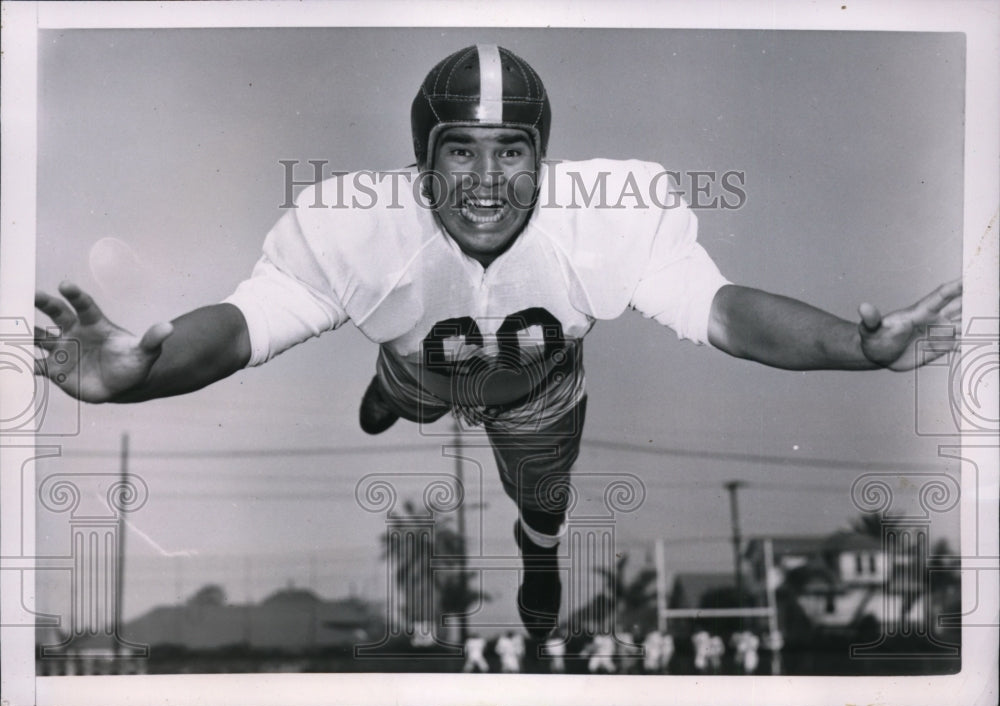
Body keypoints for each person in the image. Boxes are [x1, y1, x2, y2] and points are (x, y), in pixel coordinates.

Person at [33, 44, 962, 642]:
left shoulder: (608, 220)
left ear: (543, 160)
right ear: (421, 163)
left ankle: (539, 545)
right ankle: (395, 394)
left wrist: (853, 344)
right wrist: (138, 380)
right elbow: (240, 328)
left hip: (538, 391)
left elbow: (725, 311)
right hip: (424, 357)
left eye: (510, 149)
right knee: (411, 372)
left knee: (542, 498)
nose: (486, 179)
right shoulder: (357, 226)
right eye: (459, 151)